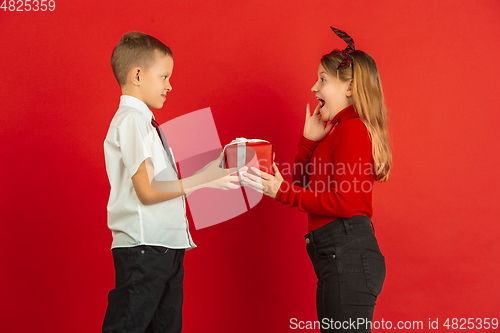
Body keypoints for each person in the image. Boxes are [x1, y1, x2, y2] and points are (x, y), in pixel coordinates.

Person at [242, 27, 391, 332]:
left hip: (348, 255)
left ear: (349, 88)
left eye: (323, 79)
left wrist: (282, 192)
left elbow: (344, 201)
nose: (314, 87)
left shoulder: (352, 131)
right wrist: (308, 143)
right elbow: (301, 187)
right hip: (336, 257)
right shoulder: (336, 133)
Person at [102, 31, 244, 333]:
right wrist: (202, 179)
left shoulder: (144, 122)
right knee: (128, 325)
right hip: (145, 246)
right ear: (138, 75)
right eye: (164, 76)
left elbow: (157, 184)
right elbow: (148, 191)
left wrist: (207, 176)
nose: (170, 85)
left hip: (164, 246)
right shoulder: (132, 120)